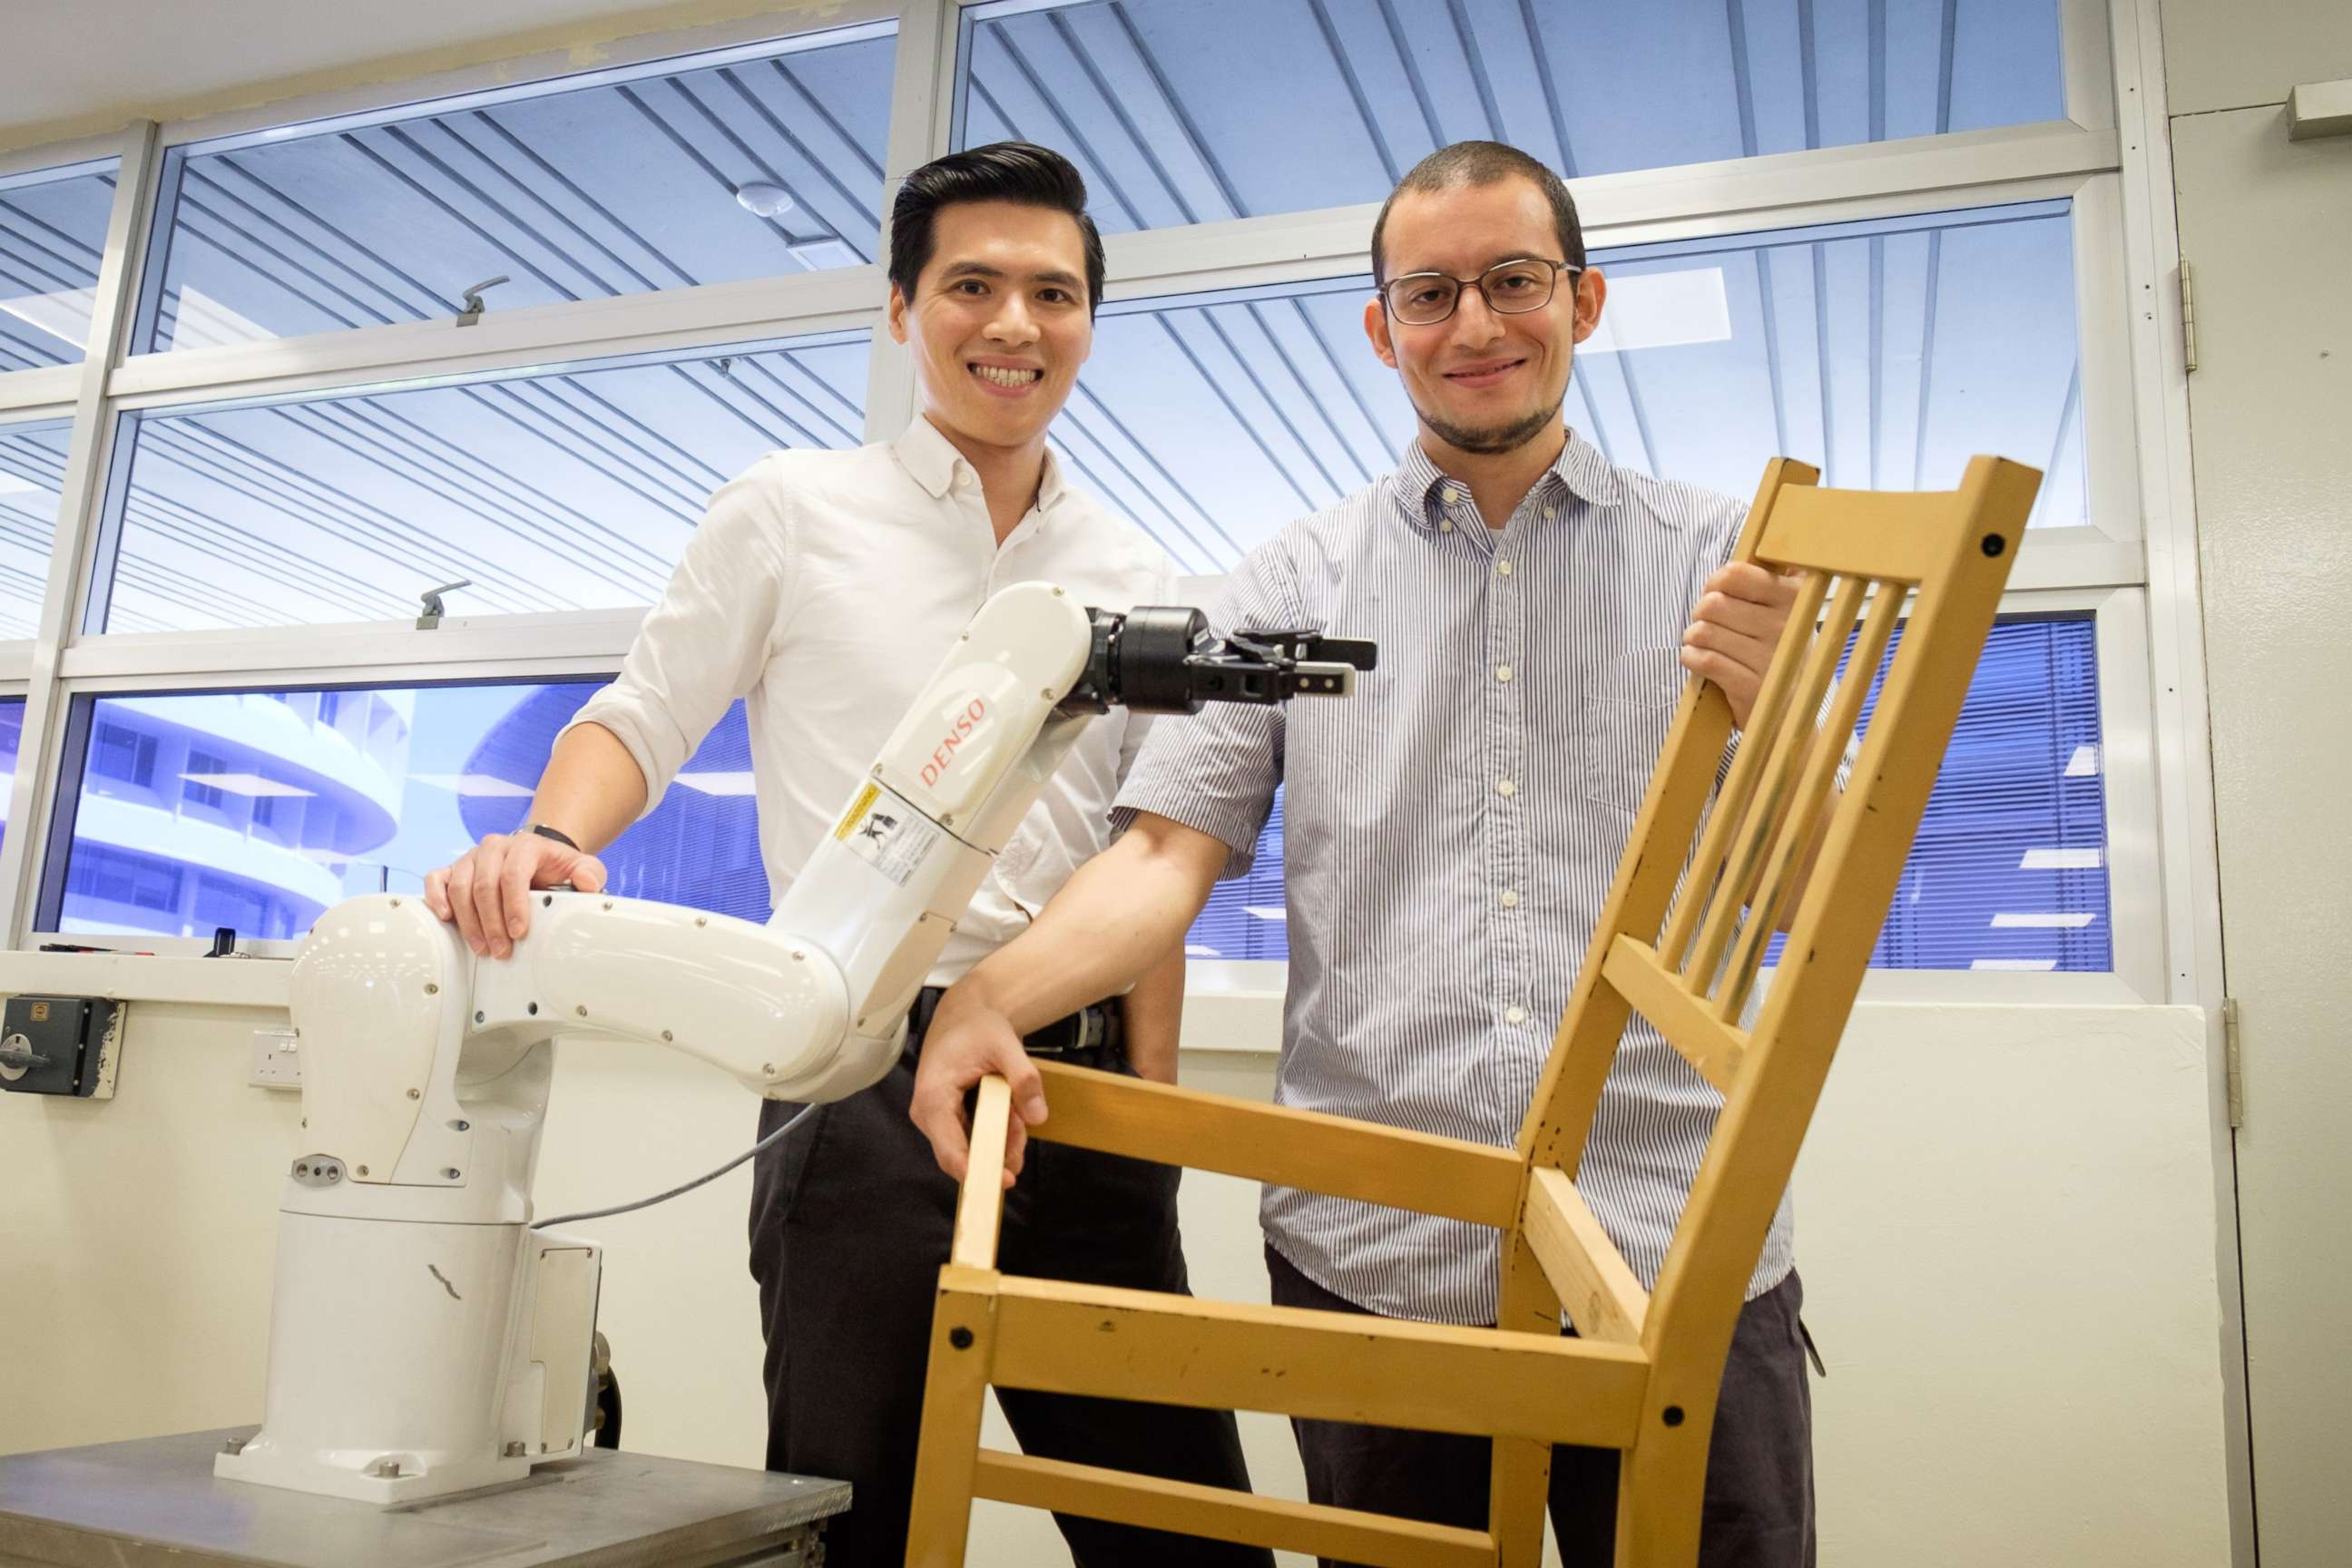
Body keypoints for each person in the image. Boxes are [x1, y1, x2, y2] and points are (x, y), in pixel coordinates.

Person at [909, 140, 1815, 1566]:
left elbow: (1804, 901)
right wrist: (982, 1002)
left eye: (1512, 281)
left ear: (1583, 303)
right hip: (1379, 1265)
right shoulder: (1287, 585)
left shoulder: (1732, 564)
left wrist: (1782, 723)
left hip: (1675, 1247)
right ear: (1383, 329)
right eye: (1432, 293)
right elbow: (1162, 855)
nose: (1475, 326)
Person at [422, 142, 1269, 1568]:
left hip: (1076, 1087)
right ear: (902, 310)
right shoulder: (792, 512)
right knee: (847, 1511)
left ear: (1088, 320)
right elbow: (644, 716)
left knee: (1178, 1526)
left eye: (1052, 293)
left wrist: (1154, 1121)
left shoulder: (1138, 574)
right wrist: (554, 835)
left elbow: (1146, 867)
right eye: (973, 286)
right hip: (857, 1073)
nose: (1014, 325)